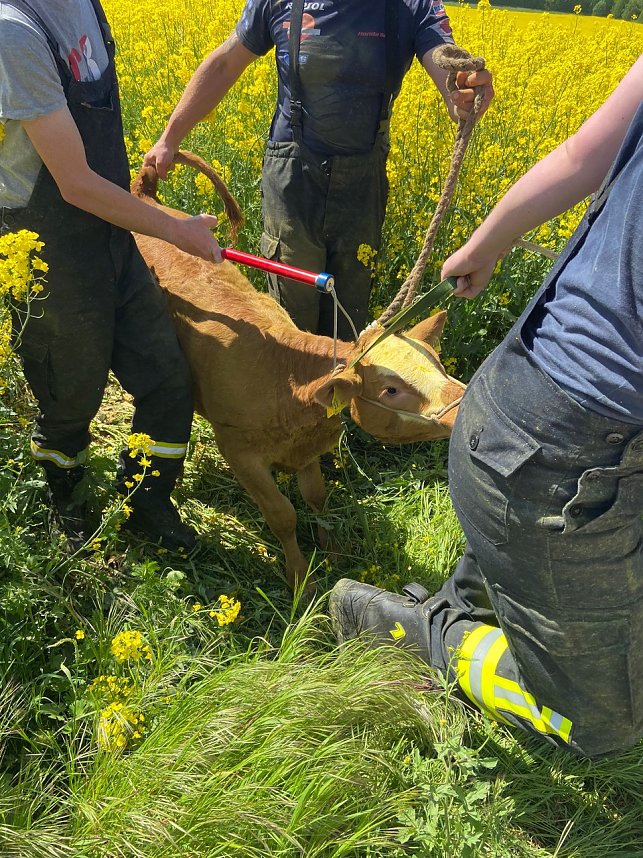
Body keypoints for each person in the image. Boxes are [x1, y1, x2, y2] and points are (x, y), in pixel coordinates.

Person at [329, 56, 643, 759]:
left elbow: (579, 153)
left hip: (533, 403)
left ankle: (501, 586)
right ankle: (420, 635)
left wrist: (487, 241)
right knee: (604, 729)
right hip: (570, 450)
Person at [0, 0, 224, 553]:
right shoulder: (15, 32)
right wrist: (175, 231)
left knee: (167, 379)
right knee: (69, 400)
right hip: (49, 248)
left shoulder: (86, 5)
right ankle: (68, 507)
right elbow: (74, 182)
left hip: (109, 234)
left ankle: (146, 503)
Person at [143, 0, 493, 341]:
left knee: (347, 322)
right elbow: (224, 64)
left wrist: (460, 91)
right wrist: (169, 138)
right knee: (292, 330)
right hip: (292, 179)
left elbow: (445, 60)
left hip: (362, 184)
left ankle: (336, 400)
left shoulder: (410, 5)